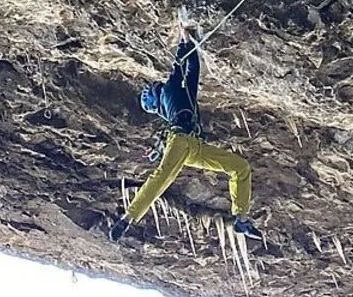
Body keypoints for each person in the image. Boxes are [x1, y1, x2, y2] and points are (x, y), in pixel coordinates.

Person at [109, 26, 263, 243]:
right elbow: (180, 67)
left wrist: (189, 45)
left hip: (191, 145)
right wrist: (184, 41)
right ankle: (128, 218)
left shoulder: (178, 99)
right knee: (163, 176)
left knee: (239, 167)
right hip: (182, 141)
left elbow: (190, 69)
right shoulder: (169, 90)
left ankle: (241, 219)